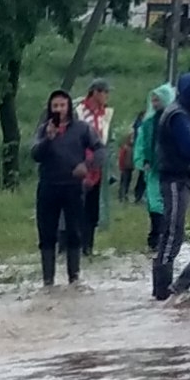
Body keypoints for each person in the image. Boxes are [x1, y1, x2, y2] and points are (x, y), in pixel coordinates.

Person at [146, 69, 190, 299]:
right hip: (173, 178)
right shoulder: (178, 115)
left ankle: (163, 289)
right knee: (172, 231)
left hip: (180, 178)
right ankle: (162, 290)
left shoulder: (183, 112)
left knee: (176, 231)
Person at [31, 89, 98, 286]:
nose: (59, 109)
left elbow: (100, 149)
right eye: (55, 106)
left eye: (62, 105)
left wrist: (86, 166)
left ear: (69, 107)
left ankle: (74, 278)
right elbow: (35, 154)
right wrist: (48, 139)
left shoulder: (82, 129)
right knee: (47, 234)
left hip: (73, 188)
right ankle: (48, 280)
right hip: (48, 187)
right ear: (50, 109)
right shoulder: (44, 129)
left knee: (74, 232)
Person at [74, 81, 113, 266]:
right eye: (104, 92)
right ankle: (70, 246)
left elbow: (106, 141)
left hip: (98, 164)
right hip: (79, 164)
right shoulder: (79, 111)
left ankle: (88, 247)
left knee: (92, 209)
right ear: (94, 92)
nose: (107, 95)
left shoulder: (106, 113)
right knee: (75, 207)